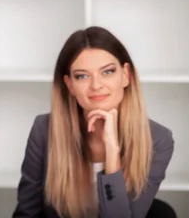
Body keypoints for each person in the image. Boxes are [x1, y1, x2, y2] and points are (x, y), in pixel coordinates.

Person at [13, 26, 175, 218]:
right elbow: (26, 214)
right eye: (82, 76)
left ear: (125, 75)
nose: (96, 85)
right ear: (70, 85)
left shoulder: (158, 139)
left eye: (107, 72)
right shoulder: (44, 130)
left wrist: (112, 152)